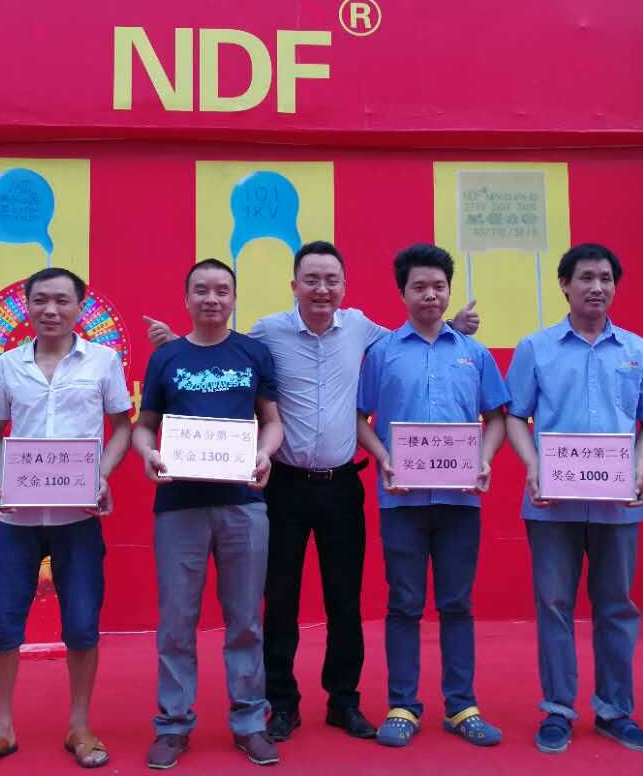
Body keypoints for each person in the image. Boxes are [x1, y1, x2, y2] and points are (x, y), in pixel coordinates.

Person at [144, 241, 479, 744]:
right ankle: (281, 704)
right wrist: (177, 344)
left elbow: (413, 341)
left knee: (345, 600)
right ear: (294, 285)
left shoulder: (361, 328)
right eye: (312, 280)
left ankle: (344, 702)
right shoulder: (268, 331)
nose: (322, 289)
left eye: (331, 280)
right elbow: (222, 345)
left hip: (341, 485)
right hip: (283, 486)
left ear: (344, 286)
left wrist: (452, 325)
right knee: (279, 601)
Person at [0, 268, 134, 774]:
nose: (50, 310)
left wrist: (101, 474)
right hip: (16, 517)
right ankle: (1, 728)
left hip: (79, 515)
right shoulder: (7, 364)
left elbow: (122, 427)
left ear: (80, 307)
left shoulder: (103, 361)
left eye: (61, 300)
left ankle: (80, 725)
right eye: (40, 300)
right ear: (27, 307)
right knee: (2, 624)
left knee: (81, 623)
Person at [504, 242, 643, 756]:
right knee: (554, 604)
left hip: (618, 501)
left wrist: (641, 463)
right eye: (586, 278)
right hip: (551, 501)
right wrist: (533, 466)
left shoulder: (636, 349)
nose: (596, 287)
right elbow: (515, 416)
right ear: (564, 284)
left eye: (605, 279)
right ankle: (557, 709)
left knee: (617, 605)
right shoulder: (536, 348)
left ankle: (615, 710)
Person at [355, 244, 508, 750]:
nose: (430, 295)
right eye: (419, 286)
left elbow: (497, 417)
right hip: (401, 500)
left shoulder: (473, 352)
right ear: (402, 293)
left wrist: (484, 458)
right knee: (404, 603)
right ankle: (402, 704)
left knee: (457, 603)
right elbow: (359, 418)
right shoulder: (382, 353)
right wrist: (384, 457)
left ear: (448, 291)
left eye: (438, 286)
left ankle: (462, 704)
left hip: (460, 501)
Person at [133, 259, 285, 769]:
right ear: (187, 299)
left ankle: (249, 720)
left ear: (234, 298)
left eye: (222, 290)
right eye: (202, 290)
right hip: (179, 505)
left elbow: (272, 421)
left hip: (244, 503)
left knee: (246, 619)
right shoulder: (167, 357)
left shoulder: (253, 353)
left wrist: (265, 453)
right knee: (177, 621)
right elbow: (144, 424)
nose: (212, 299)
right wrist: (148, 453)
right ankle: (173, 724)